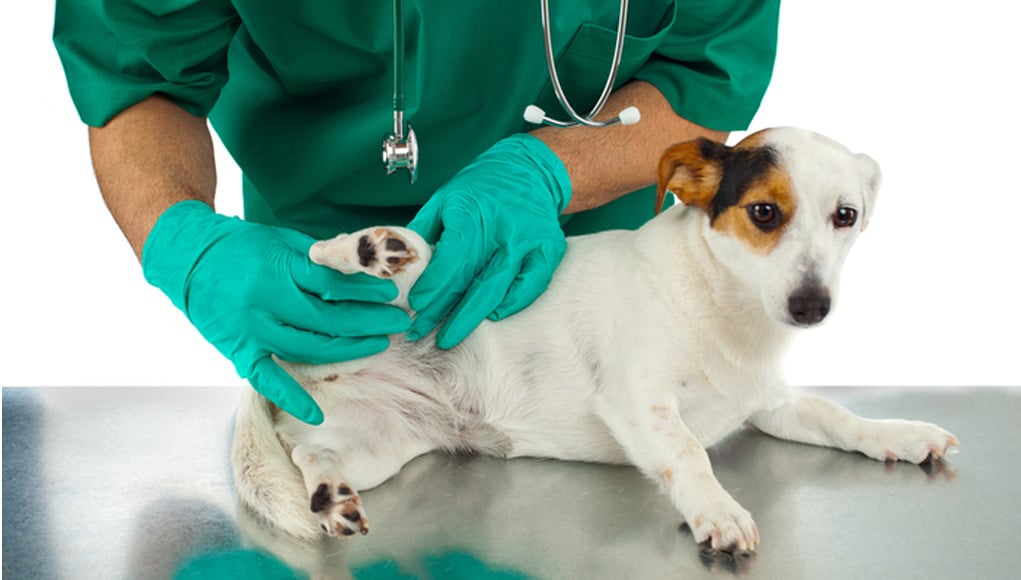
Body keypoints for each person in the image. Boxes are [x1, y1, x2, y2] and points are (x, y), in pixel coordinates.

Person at [53, 1, 780, 425]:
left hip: (585, 266)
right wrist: (184, 241)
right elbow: (136, 72)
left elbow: (705, 72)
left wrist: (545, 173)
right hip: (320, 271)